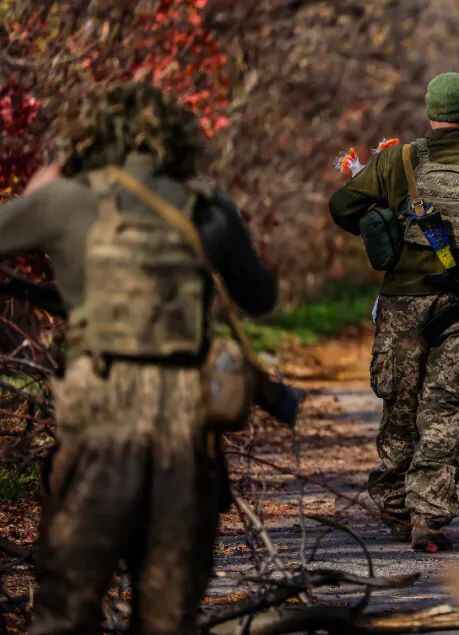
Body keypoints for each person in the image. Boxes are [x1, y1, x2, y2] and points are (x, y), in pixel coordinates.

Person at [0, 83, 277, 634]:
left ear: (94, 137)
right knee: (168, 618)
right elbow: (260, 297)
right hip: (185, 440)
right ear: (178, 142)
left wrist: (37, 194)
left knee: (63, 614)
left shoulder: (67, 201)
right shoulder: (208, 208)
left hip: (98, 432)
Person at [329, 71, 459, 552]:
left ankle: (394, 505)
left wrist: (386, 226)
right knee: (445, 410)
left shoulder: (396, 160)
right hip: (457, 304)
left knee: (399, 403)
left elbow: (342, 206)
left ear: (429, 109)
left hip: (401, 305)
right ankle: (429, 517)